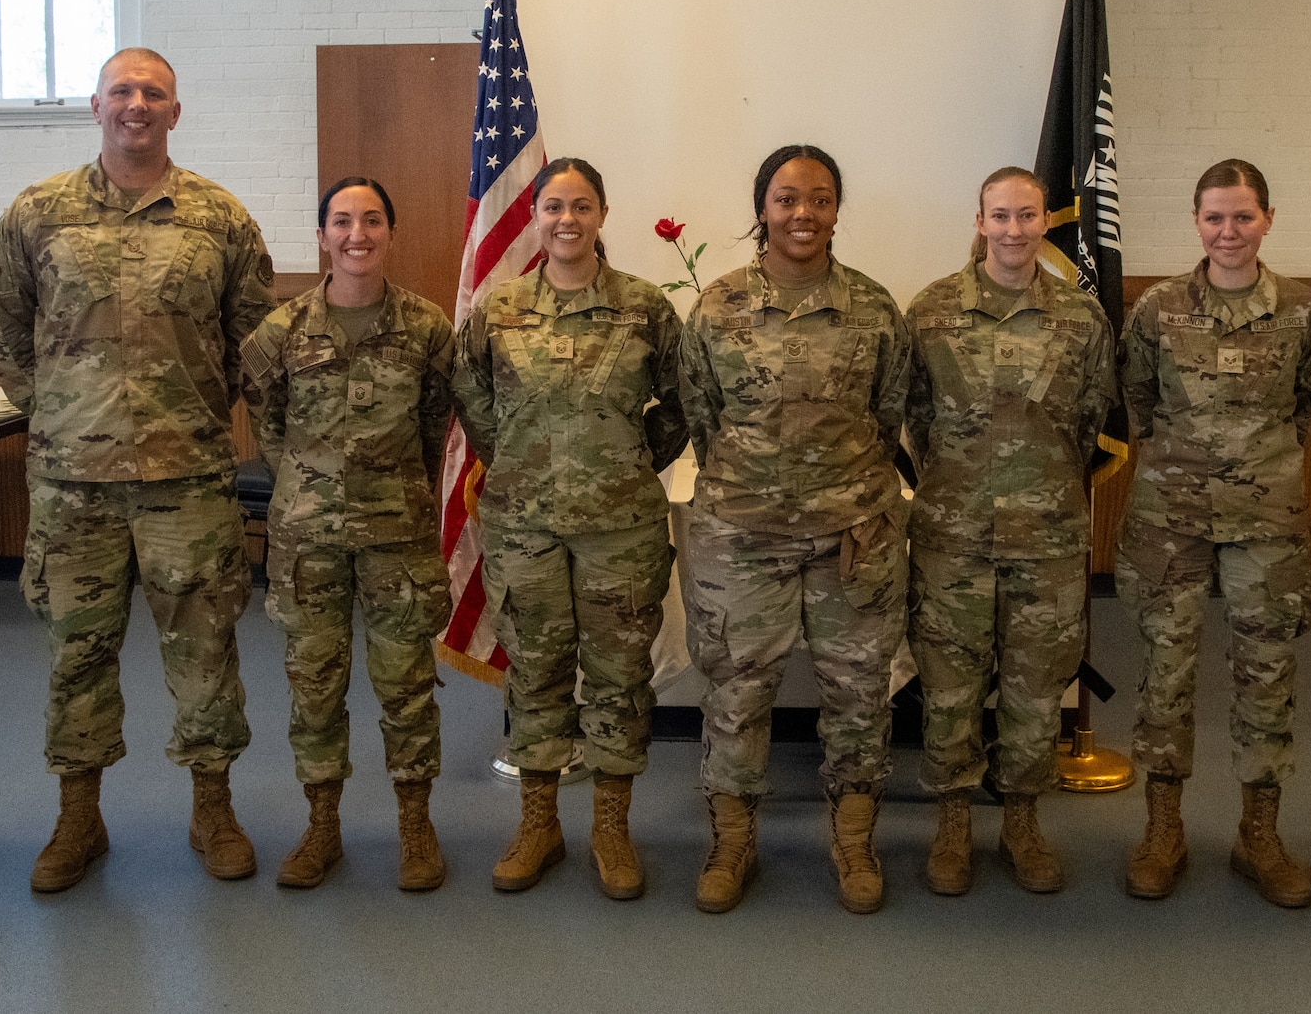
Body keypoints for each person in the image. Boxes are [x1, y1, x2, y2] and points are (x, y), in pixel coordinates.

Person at [0, 47, 277, 891]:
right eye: (122, 91)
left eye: (154, 93)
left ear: (175, 112)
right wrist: (48, 401)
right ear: (96, 106)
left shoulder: (219, 217)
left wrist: (206, 407)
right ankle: (79, 816)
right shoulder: (39, 213)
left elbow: (255, 336)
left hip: (187, 478)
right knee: (77, 653)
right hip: (74, 484)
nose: (136, 104)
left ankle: (212, 807)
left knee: (207, 650)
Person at [678, 144, 912, 915]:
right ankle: (732, 839)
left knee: (858, 692)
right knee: (738, 690)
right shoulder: (717, 306)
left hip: (854, 533)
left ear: (838, 209)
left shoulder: (874, 308)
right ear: (762, 209)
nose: (802, 213)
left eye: (818, 198)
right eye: (786, 199)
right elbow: (701, 414)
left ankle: (853, 839)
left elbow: (888, 412)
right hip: (742, 536)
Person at [452, 158, 688, 901]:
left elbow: (687, 402)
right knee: (536, 672)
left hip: (621, 530)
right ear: (536, 216)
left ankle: (612, 830)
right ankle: (539, 824)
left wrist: (623, 464)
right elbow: (473, 396)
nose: (567, 220)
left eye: (581, 206)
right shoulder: (501, 307)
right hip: (526, 530)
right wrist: (522, 463)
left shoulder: (644, 307)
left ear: (603, 213)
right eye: (553, 206)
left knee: (619, 678)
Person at [1113, 159, 1311, 907]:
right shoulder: (1157, 310)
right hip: (1169, 520)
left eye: (1243, 216)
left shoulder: (1303, 313)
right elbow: (1137, 397)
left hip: (1267, 524)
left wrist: (1253, 462)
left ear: (1269, 218)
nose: (1228, 231)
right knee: (1165, 674)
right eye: (1214, 217)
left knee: (1266, 676)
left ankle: (1258, 834)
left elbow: (1310, 402)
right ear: (1196, 221)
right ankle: (1163, 828)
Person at [904, 166, 1117, 898]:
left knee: (1035, 689)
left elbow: (1091, 422)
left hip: (1048, 536)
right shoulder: (930, 311)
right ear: (980, 219)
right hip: (952, 538)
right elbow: (912, 419)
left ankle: (1023, 820)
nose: (1015, 230)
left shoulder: (1082, 319)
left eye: (1028, 216)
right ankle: (953, 821)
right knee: (949, 688)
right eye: (1001, 216)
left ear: (1044, 222)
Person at [240, 177, 455, 892]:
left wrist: (396, 487)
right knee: (315, 687)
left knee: (408, 686)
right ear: (323, 235)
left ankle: (415, 825)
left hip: (399, 536)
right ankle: (322, 825)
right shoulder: (281, 330)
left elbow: (433, 425)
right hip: (308, 541)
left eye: (370, 220)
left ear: (390, 231)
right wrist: (306, 481)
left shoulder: (426, 327)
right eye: (341, 221)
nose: (356, 233)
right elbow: (267, 421)